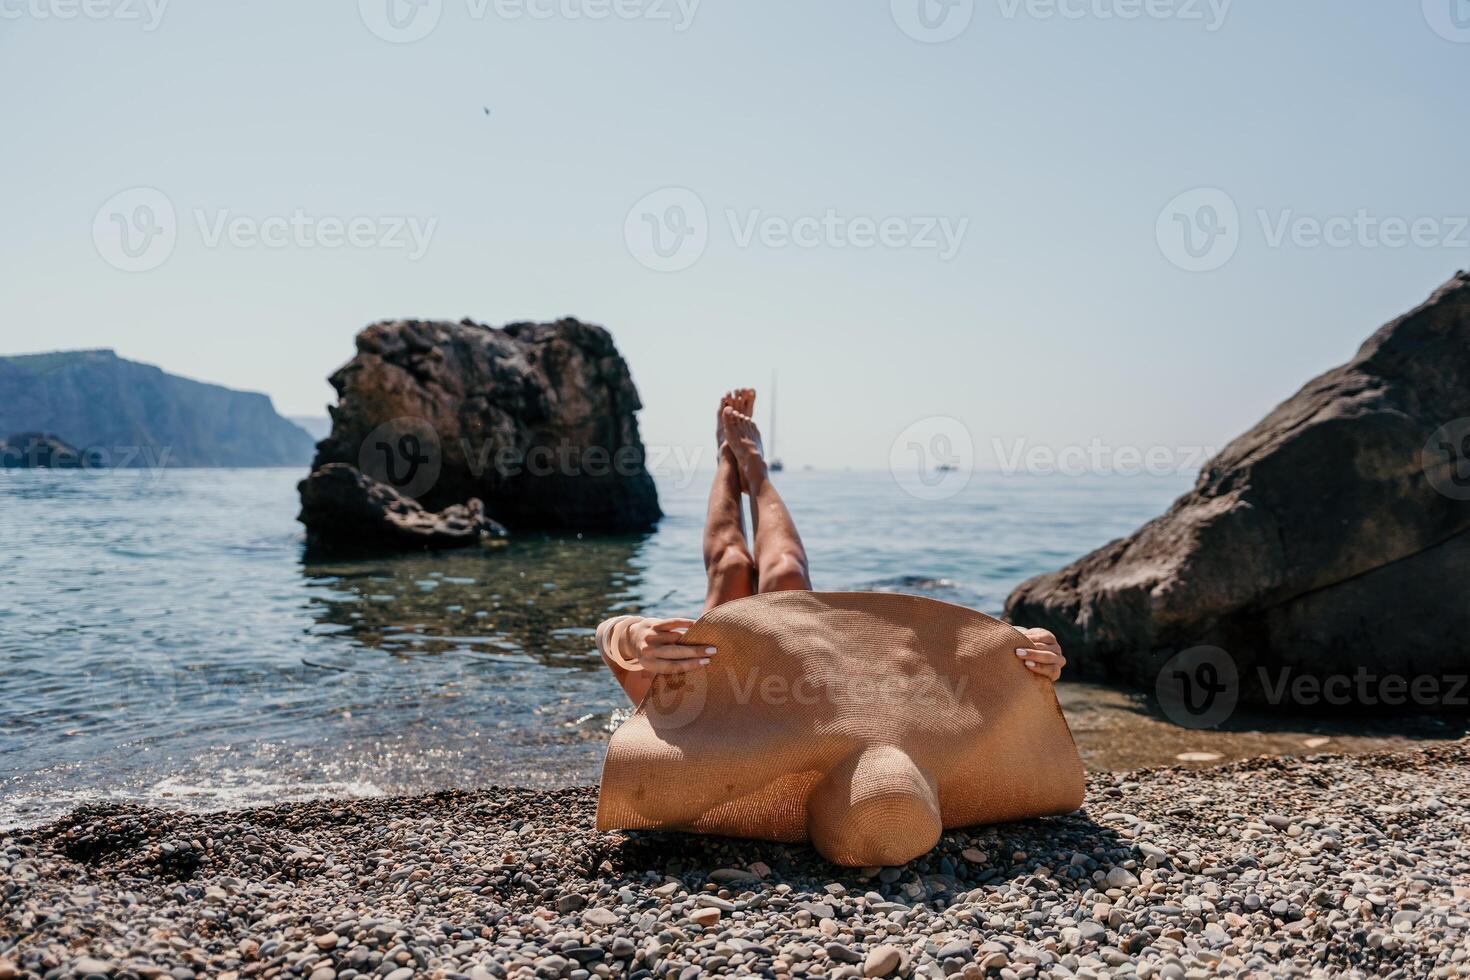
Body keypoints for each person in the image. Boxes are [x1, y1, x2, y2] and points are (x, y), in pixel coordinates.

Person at [594, 389, 1066, 705]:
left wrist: (637, 639)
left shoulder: (683, 719)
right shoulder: (854, 724)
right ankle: (753, 469)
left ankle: (727, 459)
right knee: (786, 573)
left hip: (728, 692)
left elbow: (608, 633)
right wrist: (1018, 652)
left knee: (733, 565)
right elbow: (928, 664)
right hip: (802, 683)